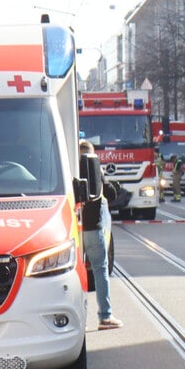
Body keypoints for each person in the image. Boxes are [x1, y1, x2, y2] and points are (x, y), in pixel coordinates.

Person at [79, 140, 123, 330]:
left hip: (73, 229)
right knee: (100, 269)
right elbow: (111, 193)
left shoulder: (68, 169)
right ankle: (105, 316)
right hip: (93, 228)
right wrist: (102, 174)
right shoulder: (95, 170)